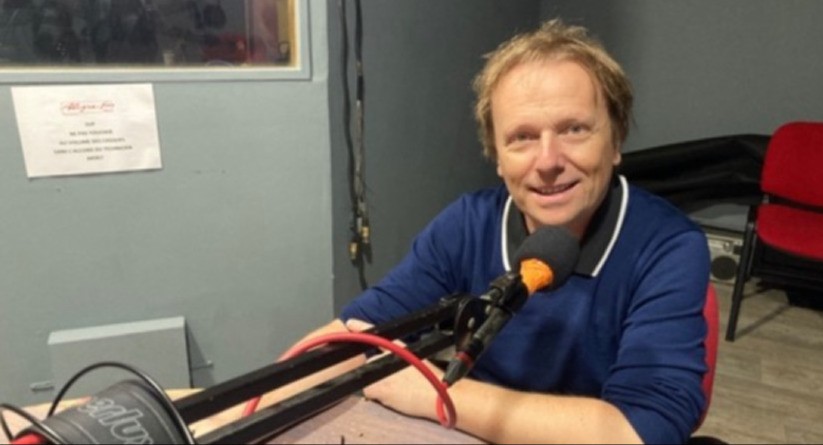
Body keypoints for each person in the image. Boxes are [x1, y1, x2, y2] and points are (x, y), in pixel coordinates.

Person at [265, 19, 711, 444]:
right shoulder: (467, 224)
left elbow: (639, 431)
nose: (548, 161)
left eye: (574, 129)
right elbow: (356, 336)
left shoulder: (668, 248)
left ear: (616, 140)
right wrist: (235, 418)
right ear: (497, 156)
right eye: (522, 137)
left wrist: (438, 395)